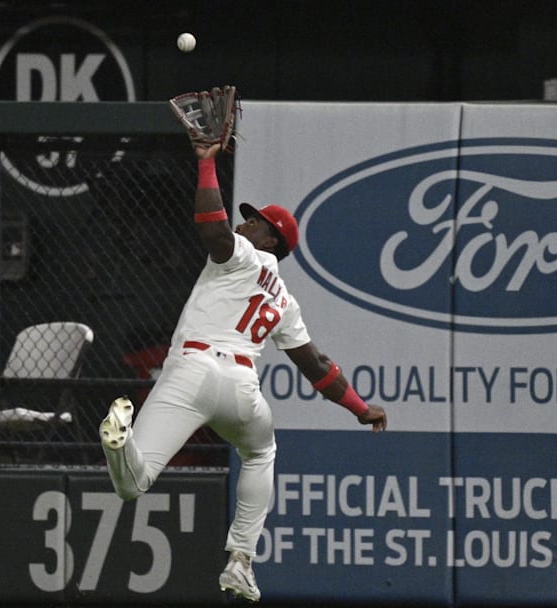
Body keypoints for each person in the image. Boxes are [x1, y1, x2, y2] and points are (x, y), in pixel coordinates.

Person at [99, 143, 388, 602]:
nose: (245, 222)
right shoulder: (285, 302)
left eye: (256, 221)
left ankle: (119, 443)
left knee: (134, 482)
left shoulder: (245, 256)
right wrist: (358, 409)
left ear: (272, 240)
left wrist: (206, 160)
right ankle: (241, 560)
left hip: (190, 372)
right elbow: (316, 368)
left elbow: (212, 230)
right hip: (239, 385)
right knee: (260, 452)